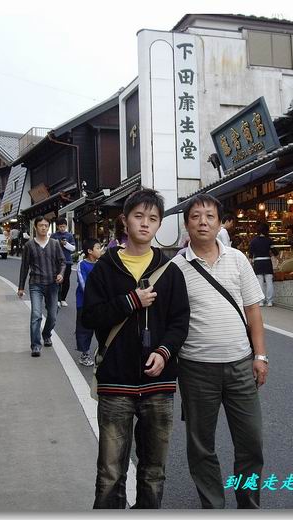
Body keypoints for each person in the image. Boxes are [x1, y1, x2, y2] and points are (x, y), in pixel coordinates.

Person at [81, 188, 190, 509]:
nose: (145, 223)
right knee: (110, 472)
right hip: (116, 383)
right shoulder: (105, 268)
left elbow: (180, 321)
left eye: (152, 218)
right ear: (125, 221)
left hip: (159, 385)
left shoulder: (170, 271)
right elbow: (90, 316)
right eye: (138, 216)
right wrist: (131, 301)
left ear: (159, 225)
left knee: (154, 471)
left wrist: (165, 351)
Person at [172, 193, 268, 509]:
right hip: (196, 369)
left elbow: (253, 310)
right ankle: (213, 507)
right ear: (187, 224)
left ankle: (249, 505)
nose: (203, 222)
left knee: (251, 443)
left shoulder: (238, 259)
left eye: (210, 216)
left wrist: (260, 355)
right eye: (196, 216)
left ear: (219, 223)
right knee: (201, 446)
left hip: (241, 365)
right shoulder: (176, 267)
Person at [17, 216, 66, 357]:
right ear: (35, 227)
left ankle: (46, 334)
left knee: (53, 315)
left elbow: (62, 262)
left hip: (52, 284)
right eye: (41, 225)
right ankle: (35, 346)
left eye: (46, 225)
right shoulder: (29, 245)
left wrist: (61, 274)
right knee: (36, 315)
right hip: (36, 284)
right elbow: (24, 267)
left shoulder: (55, 244)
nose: (43, 228)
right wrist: (21, 287)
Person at [75, 238, 102, 366]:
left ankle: (102, 353)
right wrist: (94, 296)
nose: (100, 250)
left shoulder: (101, 264)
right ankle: (84, 354)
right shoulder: (82, 264)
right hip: (84, 303)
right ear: (90, 251)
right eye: (98, 248)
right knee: (84, 328)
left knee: (102, 328)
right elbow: (83, 284)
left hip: (100, 302)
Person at [248, 222, 278, 307]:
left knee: (259, 282)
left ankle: (261, 301)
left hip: (258, 262)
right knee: (269, 281)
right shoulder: (269, 240)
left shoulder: (253, 241)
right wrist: (277, 258)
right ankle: (270, 301)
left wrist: (250, 263)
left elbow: (250, 254)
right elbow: (275, 252)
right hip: (267, 262)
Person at [50, 218, 77, 307]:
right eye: (60, 226)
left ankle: (63, 299)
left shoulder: (69, 235)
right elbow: (50, 247)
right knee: (57, 280)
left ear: (66, 226)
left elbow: (73, 248)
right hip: (56, 262)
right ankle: (57, 299)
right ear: (57, 226)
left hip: (67, 261)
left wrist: (66, 244)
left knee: (66, 281)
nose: (62, 228)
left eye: (64, 226)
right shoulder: (53, 236)